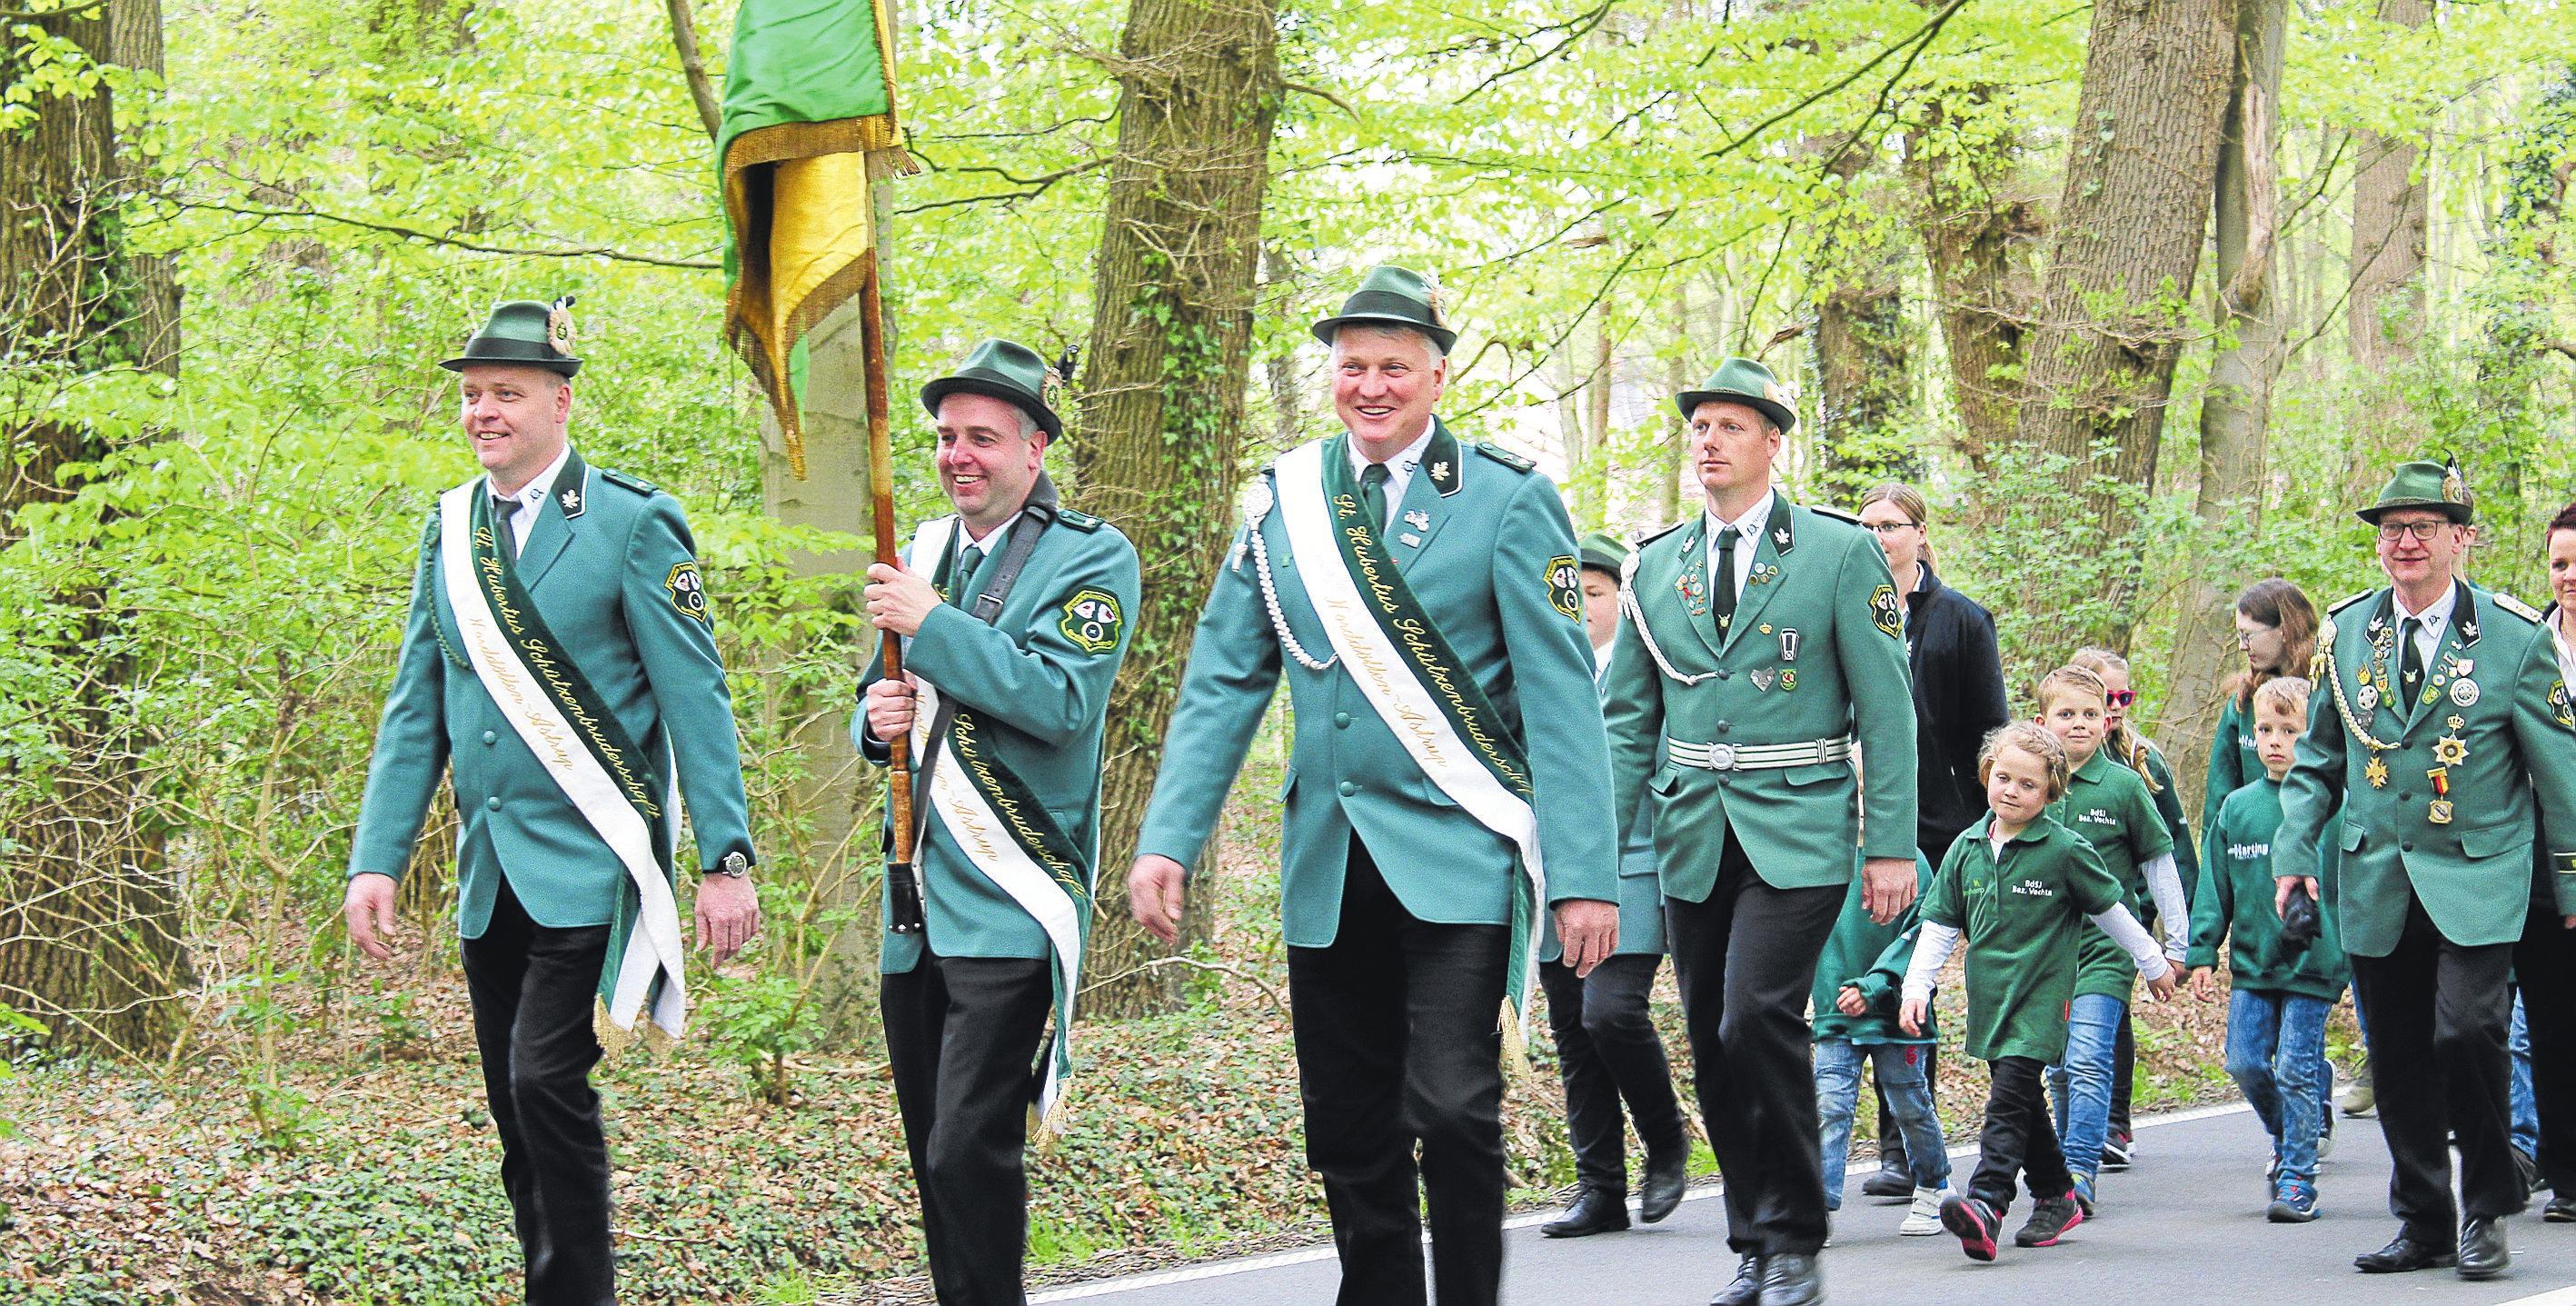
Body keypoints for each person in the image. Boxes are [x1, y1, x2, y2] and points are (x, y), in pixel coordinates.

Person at [1128, 266, 1620, 1306]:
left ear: (1437, 375)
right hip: (1328, 864)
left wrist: (1586, 877)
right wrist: (1169, 836)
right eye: (1352, 367)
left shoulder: (1509, 497)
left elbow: (1563, 701)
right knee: (1348, 1122)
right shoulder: (1283, 503)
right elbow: (1224, 680)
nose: (1371, 386)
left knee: (1450, 1106)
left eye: (1395, 366)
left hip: (1459, 855)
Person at [342, 299, 761, 1306]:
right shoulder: (450, 532)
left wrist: (725, 858)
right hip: (493, 882)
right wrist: (377, 856)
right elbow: (417, 709)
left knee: (545, 1085)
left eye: (507, 395)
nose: (484, 412)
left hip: (591, 873)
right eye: (474, 395)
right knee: (515, 1114)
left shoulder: (630, 522)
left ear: (560, 401)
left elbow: (693, 695)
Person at [1602, 355, 1918, 1306]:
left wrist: (1891, 845)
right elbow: (1628, 720)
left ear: (1773, 444)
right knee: (1708, 1035)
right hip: (1691, 828)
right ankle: (1752, 1239)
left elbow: (1888, 709)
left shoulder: (1836, 551)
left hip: (1804, 825)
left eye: (1731, 427)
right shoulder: (1655, 565)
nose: (1709, 442)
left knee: (1755, 1016)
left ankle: (1796, 1238)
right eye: (1699, 428)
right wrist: (1602, 856)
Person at [854, 338, 1140, 1306]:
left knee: (968, 1143)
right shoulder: (922, 550)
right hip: (918, 896)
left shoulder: (1093, 555)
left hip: (1013, 892)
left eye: (982, 436)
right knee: (933, 1155)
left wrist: (932, 623)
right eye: (944, 436)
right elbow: (877, 699)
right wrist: (873, 716)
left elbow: (1059, 699)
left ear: (1034, 447)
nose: (958, 454)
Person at [2273, 461, 2576, 1280]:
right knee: (2399, 1050)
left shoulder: (2514, 639)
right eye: (2390, 529)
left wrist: (2572, 880)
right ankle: (2423, 1219)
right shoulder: (2345, 633)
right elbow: (2314, 764)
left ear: (2459, 538)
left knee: (2467, 1029)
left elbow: (2558, 770)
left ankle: (2486, 1206)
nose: (2404, 542)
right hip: (2374, 876)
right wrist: (2293, 857)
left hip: (2478, 878)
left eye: (2424, 527)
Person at [1899, 723, 2178, 1261]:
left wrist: (2152, 959)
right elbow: (1937, 925)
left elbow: (2110, 911)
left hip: (2045, 999)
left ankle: (1987, 1202)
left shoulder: (2065, 850)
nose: (2012, 791)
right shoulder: (1966, 848)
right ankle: (2056, 1193)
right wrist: (1916, 986)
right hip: (1991, 1001)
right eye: (2003, 777)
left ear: (2051, 790)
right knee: (2023, 1101)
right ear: (1986, 775)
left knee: (2006, 1103)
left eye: (2028, 785)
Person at [1853, 481, 2005, 1198]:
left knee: (1914, 981)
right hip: (1852, 824)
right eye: (1867, 526)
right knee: (1859, 973)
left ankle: (1904, 1142)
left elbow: (1988, 733)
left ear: (1919, 532)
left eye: (1890, 525)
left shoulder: (1960, 622)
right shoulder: (1840, 608)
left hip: (1940, 828)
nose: (1878, 537)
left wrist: (1990, 826)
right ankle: (1861, 1135)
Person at [1537, 531, 1691, 1240]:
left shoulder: (1642, 668)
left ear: (1619, 602)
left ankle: (1666, 1139)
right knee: (1572, 1031)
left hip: (1631, 866)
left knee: (1610, 1011)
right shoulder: (1534, 670)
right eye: (1569, 590)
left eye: (1593, 592)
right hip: (1550, 874)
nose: (1580, 604)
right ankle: (1599, 1187)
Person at [2185, 675, 2347, 1223]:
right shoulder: (2237, 808)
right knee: (2246, 1061)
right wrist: (2202, 949)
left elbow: (2355, 883)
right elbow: (2216, 886)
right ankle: (2289, 1132)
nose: (2274, 741)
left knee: (2298, 1069)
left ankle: (2298, 1178)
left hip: (2313, 961)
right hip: (2254, 962)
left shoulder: (2333, 806)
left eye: (2289, 730)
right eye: (2263, 730)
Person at [2030, 666, 2189, 1212]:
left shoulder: (2125, 786)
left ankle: (2079, 1173)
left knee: (2091, 1060)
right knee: (2056, 1066)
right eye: (2066, 715)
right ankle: (2063, 1166)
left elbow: (2160, 864)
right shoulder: (2031, 786)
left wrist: (2176, 945)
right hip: (2045, 952)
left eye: (2090, 715)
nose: (2078, 725)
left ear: (2107, 722)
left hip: (2109, 948)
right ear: (2042, 722)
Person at [2066, 646, 2201, 1169]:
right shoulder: (2046, 770)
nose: (2117, 706)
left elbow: (2173, 852)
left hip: (2128, 915)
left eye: (2124, 697)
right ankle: (2074, 1137)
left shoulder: (2141, 765)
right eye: (2108, 696)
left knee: (2105, 1020)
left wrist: (2182, 936)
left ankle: (2109, 1126)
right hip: (2059, 927)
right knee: (2068, 1050)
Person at [1810, 851, 1949, 1236]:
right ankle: (1816, 1207)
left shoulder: (1911, 862)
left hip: (1896, 1010)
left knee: (1910, 1106)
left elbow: (1923, 933)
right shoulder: (1815, 854)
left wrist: (1873, 987)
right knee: (1829, 1106)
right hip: (1833, 1006)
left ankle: (1933, 1185)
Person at [2519, 500, 2576, 1221]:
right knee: (2552, 1023)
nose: (2568, 578)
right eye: (2560, 563)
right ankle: (2565, 1173)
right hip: (2540, 865)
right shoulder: (2525, 646)